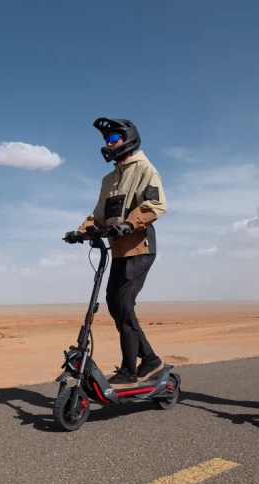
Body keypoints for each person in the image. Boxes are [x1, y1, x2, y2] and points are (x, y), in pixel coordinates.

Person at [64, 117, 167, 386]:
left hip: (139, 248)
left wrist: (129, 224)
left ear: (128, 138)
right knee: (116, 304)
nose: (108, 144)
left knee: (122, 303)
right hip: (119, 251)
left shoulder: (145, 168)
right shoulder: (108, 179)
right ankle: (151, 359)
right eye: (106, 140)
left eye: (112, 139)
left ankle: (129, 369)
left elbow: (156, 204)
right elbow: (99, 214)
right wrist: (81, 231)